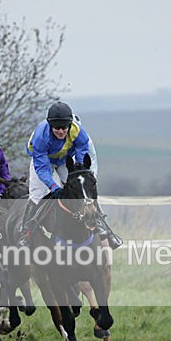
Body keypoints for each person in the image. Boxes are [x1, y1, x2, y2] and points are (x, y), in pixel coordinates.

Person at [19, 101, 122, 249]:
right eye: (57, 128)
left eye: (64, 127)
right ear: (50, 126)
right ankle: (26, 233)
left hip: (63, 160)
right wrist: (53, 186)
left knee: (82, 188)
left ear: (70, 124)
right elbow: (42, 168)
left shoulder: (78, 131)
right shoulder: (41, 137)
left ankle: (102, 225)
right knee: (37, 195)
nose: (61, 131)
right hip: (43, 162)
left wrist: (78, 171)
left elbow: (81, 156)